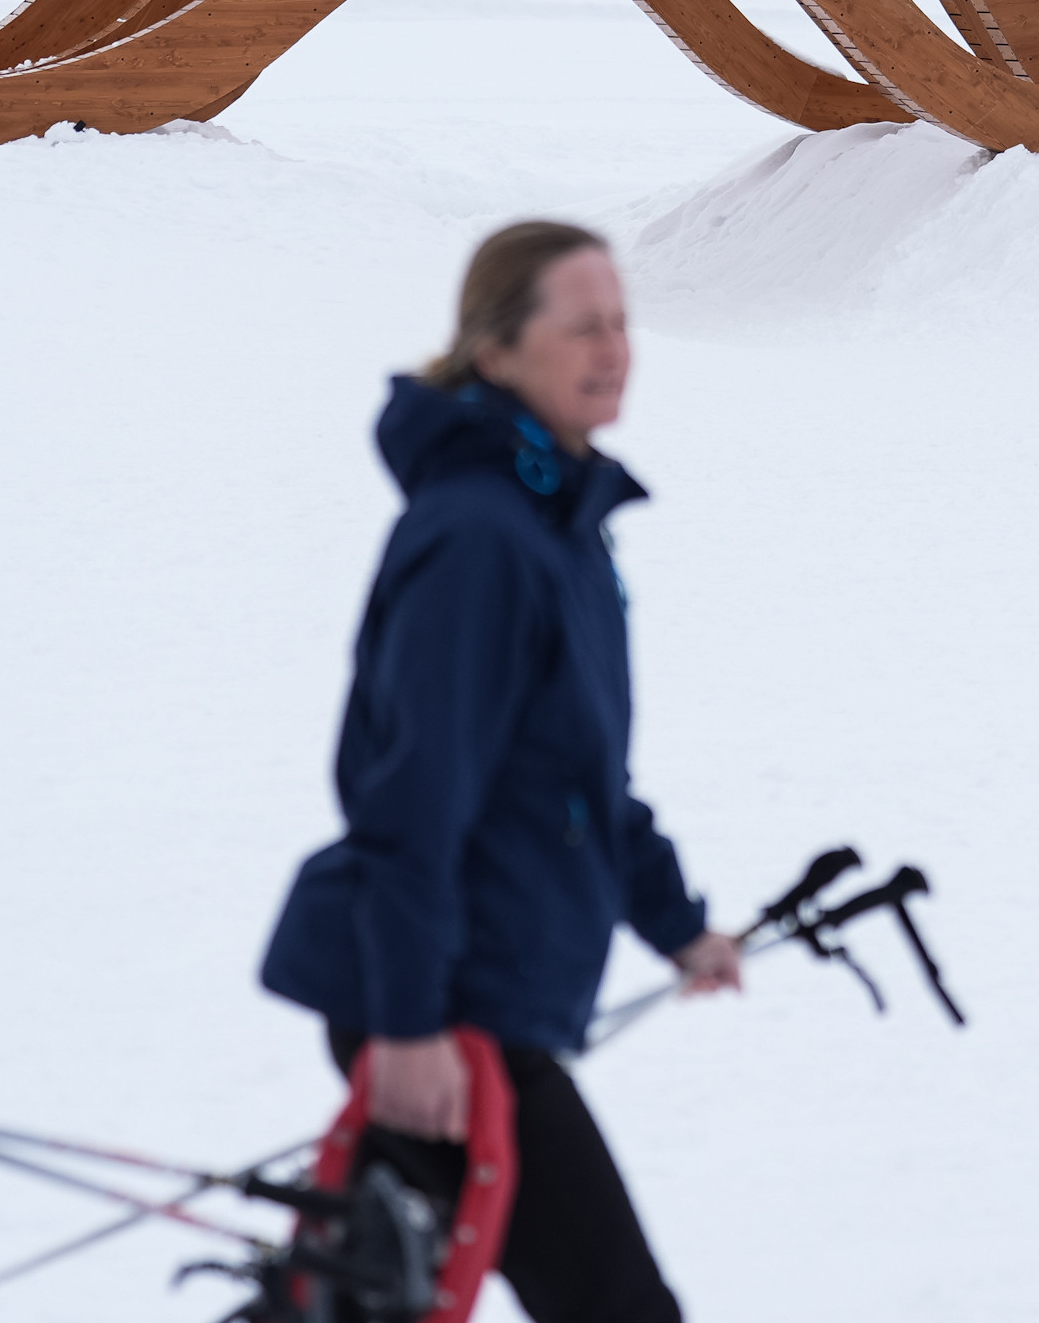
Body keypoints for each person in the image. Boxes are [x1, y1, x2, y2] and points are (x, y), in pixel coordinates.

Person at [264, 222, 739, 1323]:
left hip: (480, 985)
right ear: (495, 352)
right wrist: (410, 1020)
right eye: (581, 326)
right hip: (450, 1002)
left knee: (352, 1302)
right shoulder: (480, 535)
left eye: (621, 323)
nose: (613, 347)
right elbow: (412, 794)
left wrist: (676, 923)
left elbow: (582, 782)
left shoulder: (558, 524)